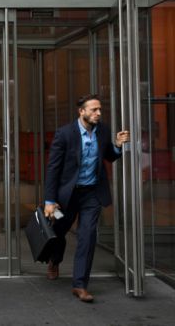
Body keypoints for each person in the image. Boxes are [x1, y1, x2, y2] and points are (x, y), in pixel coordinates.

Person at [44, 94, 130, 302]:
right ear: (81, 112)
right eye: (93, 110)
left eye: (99, 109)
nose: (98, 113)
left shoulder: (103, 130)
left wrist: (117, 145)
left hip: (92, 193)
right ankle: (55, 260)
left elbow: (108, 155)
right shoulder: (65, 134)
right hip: (68, 195)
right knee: (58, 232)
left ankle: (80, 285)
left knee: (87, 236)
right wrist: (49, 200)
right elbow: (53, 169)